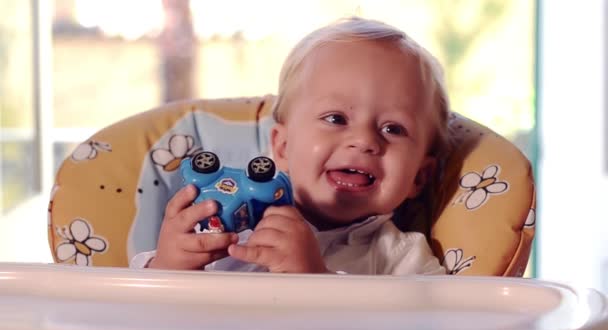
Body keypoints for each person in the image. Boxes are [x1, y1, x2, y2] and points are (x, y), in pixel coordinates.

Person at [130, 17, 450, 275]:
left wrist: (315, 281)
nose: (364, 141)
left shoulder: (402, 260)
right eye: (336, 119)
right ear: (282, 148)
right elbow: (140, 314)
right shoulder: (228, 225)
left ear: (419, 177)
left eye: (393, 128)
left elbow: (428, 329)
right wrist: (168, 265)